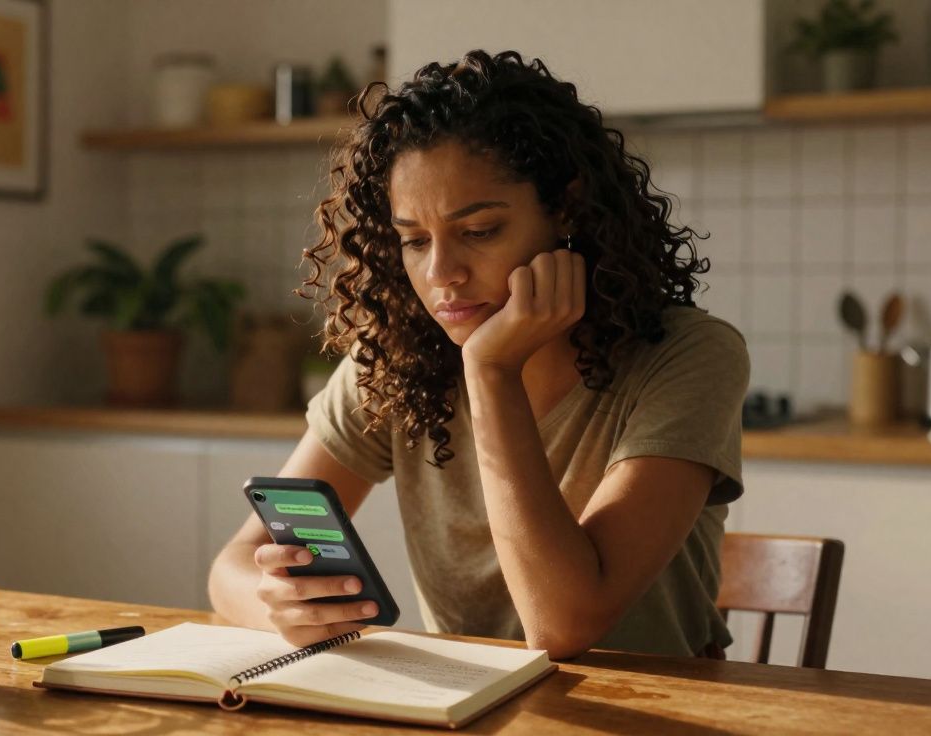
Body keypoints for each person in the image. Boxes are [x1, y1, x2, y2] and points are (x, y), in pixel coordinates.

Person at [208, 49, 749, 660]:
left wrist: (491, 370)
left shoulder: (688, 354)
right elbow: (230, 568)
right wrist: (278, 607)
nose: (442, 274)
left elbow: (565, 624)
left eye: (480, 232)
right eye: (414, 241)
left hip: (656, 710)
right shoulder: (394, 358)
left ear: (567, 207)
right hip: (468, 709)